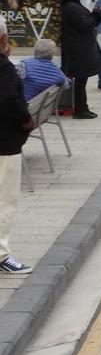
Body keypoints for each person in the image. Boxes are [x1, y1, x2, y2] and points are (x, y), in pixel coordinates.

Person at [0, 19, 37, 275]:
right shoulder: (3, 68)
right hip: (4, 144)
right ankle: (2, 255)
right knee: (4, 200)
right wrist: (26, 119)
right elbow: (9, 99)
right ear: (3, 40)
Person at [60, 0, 101, 119]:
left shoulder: (70, 6)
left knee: (81, 80)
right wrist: (96, 15)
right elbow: (85, 25)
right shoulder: (73, 7)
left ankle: (82, 107)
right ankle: (81, 109)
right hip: (79, 49)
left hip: (77, 47)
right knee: (80, 80)